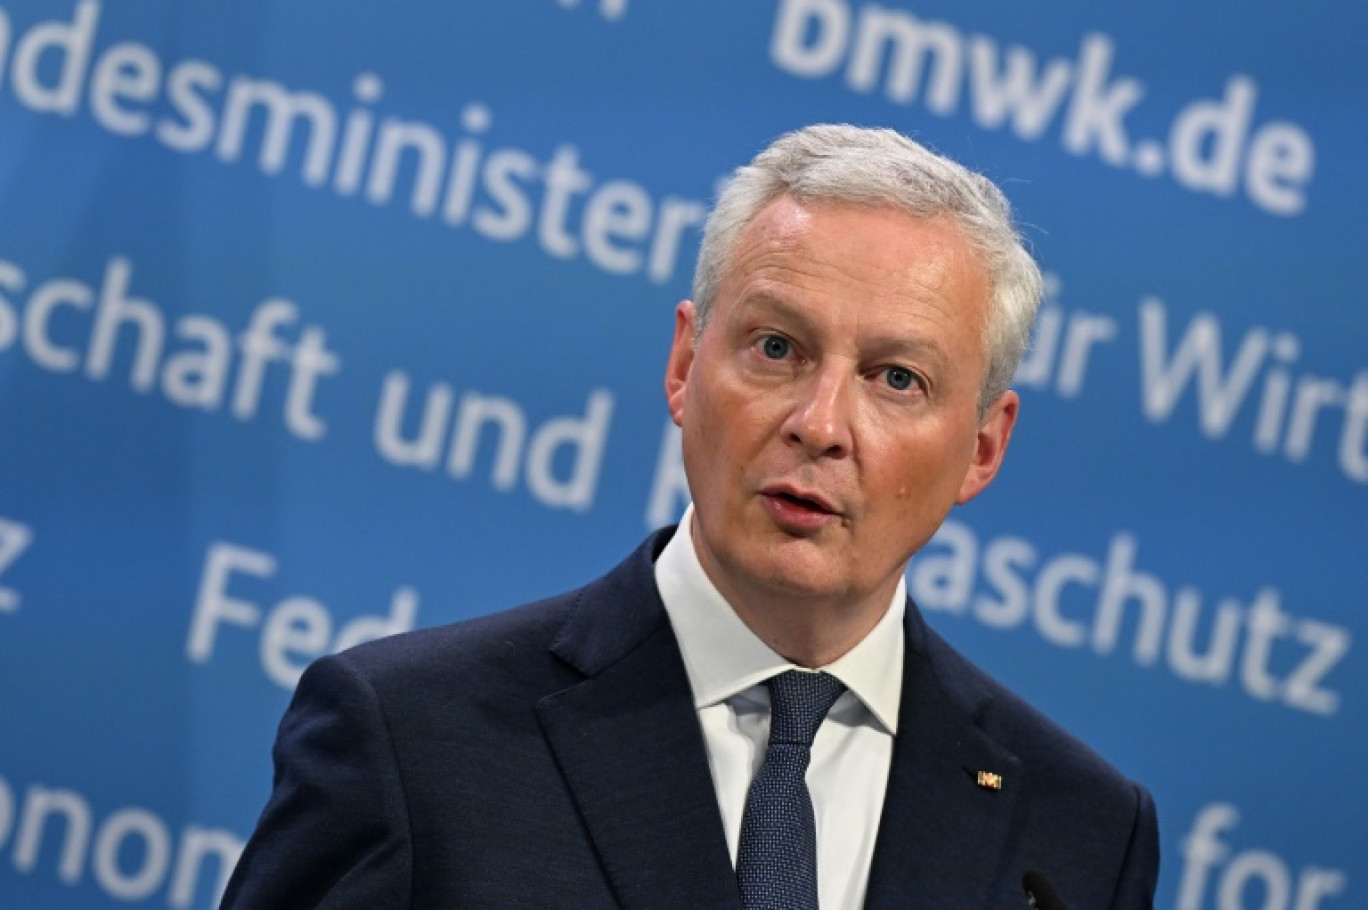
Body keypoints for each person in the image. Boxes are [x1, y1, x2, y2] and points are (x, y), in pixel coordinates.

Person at [221, 125, 1159, 909]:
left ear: (984, 449)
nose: (820, 425)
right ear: (684, 365)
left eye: (897, 379)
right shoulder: (413, 741)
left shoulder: (1079, 831)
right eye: (778, 347)